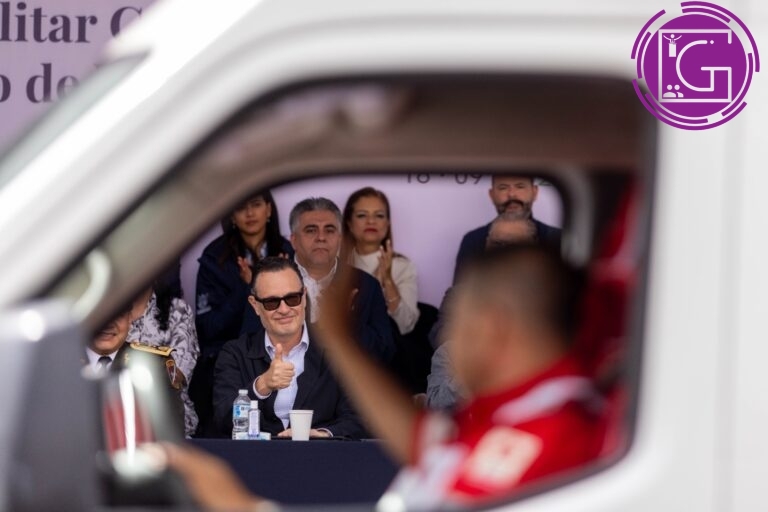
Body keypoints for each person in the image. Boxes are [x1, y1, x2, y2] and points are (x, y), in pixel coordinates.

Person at [212, 257, 365, 439]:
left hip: (321, 459)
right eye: (271, 302)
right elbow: (222, 419)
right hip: (254, 461)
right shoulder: (235, 353)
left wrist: (323, 435)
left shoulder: (339, 349)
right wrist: (261, 386)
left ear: (304, 298)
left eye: (292, 298)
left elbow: (359, 419)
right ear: (255, 305)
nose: (284, 309)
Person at [241, 197, 394, 365]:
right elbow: (249, 350)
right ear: (293, 240)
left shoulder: (366, 285)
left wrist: (348, 324)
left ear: (340, 239)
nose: (321, 237)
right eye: (311, 230)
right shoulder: (268, 283)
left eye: (329, 230)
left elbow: (386, 354)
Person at [192, 191, 293, 436]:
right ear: (231, 216)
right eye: (240, 207)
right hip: (227, 364)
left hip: (281, 357)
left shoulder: (287, 250)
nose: (249, 213)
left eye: (256, 205)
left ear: (269, 210)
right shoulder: (213, 257)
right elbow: (208, 327)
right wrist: (247, 289)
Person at [426, 214, 537, 410]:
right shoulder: (460, 296)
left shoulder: (554, 301)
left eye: (513, 245)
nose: (503, 251)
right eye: (497, 243)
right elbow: (442, 336)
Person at [85, 308, 186, 433]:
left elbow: (171, 433)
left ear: (129, 319)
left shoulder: (155, 365)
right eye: (98, 314)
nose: (107, 324)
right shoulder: (59, 362)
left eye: (118, 314)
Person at [130, 263, 200, 437]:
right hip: (115, 415)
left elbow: (176, 375)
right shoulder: (107, 313)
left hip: (168, 421)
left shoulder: (177, 310)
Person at [453, 174, 561, 282]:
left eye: (520, 186)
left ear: (534, 192)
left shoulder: (558, 239)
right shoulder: (473, 240)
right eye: (503, 188)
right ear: (492, 195)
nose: (512, 194)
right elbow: (460, 293)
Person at [342, 186, 420, 335]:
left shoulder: (402, 266)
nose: (371, 221)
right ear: (349, 223)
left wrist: (388, 281)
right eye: (362, 215)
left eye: (379, 215)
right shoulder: (336, 266)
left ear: (388, 223)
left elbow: (406, 325)